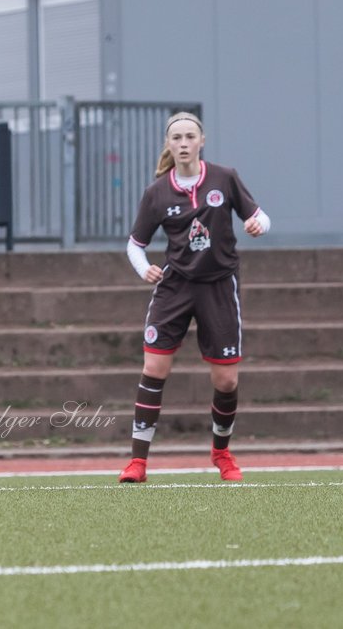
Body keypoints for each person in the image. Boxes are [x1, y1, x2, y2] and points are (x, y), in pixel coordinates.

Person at [119, 112, 270, 484]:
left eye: (190, 136)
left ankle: (221, 453)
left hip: (218, 286)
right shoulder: (156, 192)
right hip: (175, 288)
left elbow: (262, 217)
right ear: (168, 145)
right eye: (177, 138)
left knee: (226, 382)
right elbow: (135, 245)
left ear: (201, 141)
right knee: (154, 370)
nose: (183, 143)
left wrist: (257, 225)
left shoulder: (225, 178)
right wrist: (144, 269)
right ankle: (137, 463)